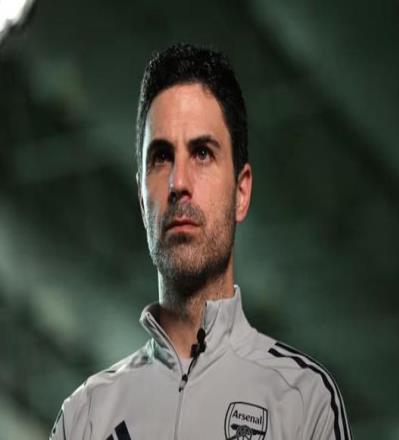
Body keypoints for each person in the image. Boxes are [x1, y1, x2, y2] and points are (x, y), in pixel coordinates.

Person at [50, 43, 353, 440]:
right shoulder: (85, 417)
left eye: (203, 153)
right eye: (161, 157)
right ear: (141, 198)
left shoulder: (302, 400)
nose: (179, 182)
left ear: (241, 192)